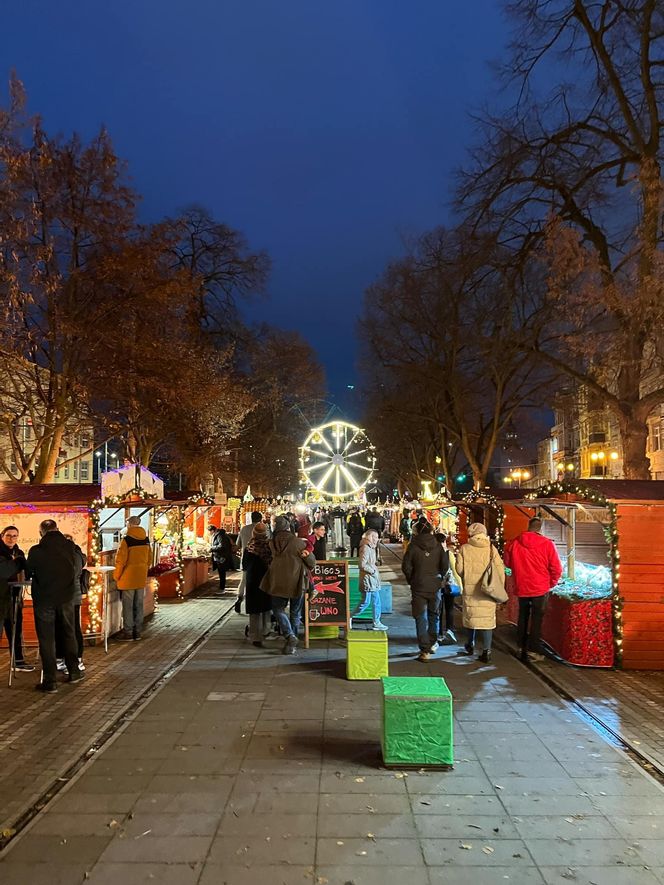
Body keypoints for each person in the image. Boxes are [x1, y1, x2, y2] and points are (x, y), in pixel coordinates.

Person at [26, 519, 85, 693]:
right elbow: (78, 567)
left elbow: (29, 572)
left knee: (46, 639)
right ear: (57, 530)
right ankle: (74, 671)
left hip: (44, 599)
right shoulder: (69, 547)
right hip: (66, 597)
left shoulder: (36, 551)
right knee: (69, 633)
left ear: (41, 533)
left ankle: (50, 681)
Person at [504, 516, 562, 662]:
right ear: (540, 529)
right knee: (537, 620)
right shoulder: (548, 544)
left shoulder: (514, 543)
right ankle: (533, 650)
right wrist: (551, 583)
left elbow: (508, 563)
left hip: (522, 586)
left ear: (528, 527)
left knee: (522, 617)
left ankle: (520, 647)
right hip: (540, 588)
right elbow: (556, 568)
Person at [260, 516, 315, 654]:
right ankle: (292, 643)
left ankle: (289, 636)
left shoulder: (271, 543)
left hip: (277, 582)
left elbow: (265, 560)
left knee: (278, 609)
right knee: (295, 613)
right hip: (297, 582)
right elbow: (311, 562)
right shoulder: (298, 543)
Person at [456, 522, 505, 664]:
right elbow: (500, 571)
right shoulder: (491, 549)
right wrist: (498, 586)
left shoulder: (464, 549)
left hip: (471, 590)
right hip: (488, 590)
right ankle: (486, 651)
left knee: (471, 617)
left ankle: (469, 645)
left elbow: (459, 569)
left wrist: (468, 577)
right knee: (487, 620)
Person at [403, 519, 449, 662]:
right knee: (434, 615)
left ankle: (424, 649)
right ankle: (432, 643)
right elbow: (445, 565)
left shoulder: (413, 546)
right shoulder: (437, 545)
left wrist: (412, 579)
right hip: (435, 585)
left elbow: (406, 567)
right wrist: (439, 578)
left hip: (419, 586)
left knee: (420, 616)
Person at [0, 525, 35, 672]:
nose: (11, 539)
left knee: (15, 629)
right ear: (2, 536)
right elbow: (4, 571)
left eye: (15, 536)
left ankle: (18, 661)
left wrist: (22, 564)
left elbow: (26, 571)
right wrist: (17, 562)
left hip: (14, 597)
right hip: (0, 599)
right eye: (8, 535)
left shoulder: (18, 552)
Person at [113, 516, 151, 641]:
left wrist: (116, 576)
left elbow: (120, 561)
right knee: (138, 604)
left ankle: (128, 632)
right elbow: (149, 558)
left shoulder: (126, 540)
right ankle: (138, 631)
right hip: (140, 577)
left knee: (128, 606)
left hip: (128, 577)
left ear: (129, 524)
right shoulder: (146, 540)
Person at [56, 534, 88, 672]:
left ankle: (75, 659)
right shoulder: (78, 555)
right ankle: (69, 658)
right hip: (73, 596)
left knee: (72, 628)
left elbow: (68, 575)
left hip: (70, 597)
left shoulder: (73, 555)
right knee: (71, 628)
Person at [242, 522, 273, 647]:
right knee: (266, 606)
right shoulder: (270, 547)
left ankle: (255, 636)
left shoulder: (249, 547)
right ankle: (266, 630)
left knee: (254, 611)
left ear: (253, 533)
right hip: (267, 579)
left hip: (253, 581)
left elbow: (244, 566)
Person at [351, 529, 388, 631]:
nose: (376, 539)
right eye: (375, 537)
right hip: (368, 579)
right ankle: (375, 622)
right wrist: (372, 571)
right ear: (370, 537)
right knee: (370, 601)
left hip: (371, 579)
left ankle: (376, 621)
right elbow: (362, 564)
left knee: (371, 601)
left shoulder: (371, 547)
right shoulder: (366, 548)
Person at [435, 533, 461, 643]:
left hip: (437, 585)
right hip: (449, 585)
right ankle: (449, 630)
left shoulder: (433, 553)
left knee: (438, 610)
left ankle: (439, 632)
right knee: (449, 608)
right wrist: (460, 585)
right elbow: (455, 571)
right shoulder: (448, 553)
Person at [236, 512, 263, 604]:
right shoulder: (263, 529)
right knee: (259, 579)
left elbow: (238, 544)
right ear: (260, 519)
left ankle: (240, 595)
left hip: (246, 558)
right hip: (260, 559)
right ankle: (256, 598)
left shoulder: (244, 529)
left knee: (244, 579)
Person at [209, 524, 233, 593]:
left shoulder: (219, 535)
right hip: (220, 557)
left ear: (212, 530)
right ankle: (221, 587)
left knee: (222, 572)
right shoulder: (220, 534)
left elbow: (221, 546)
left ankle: (222, 588)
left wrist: (212, 548)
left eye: (210, 532)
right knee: (221, 572)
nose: (209, 534)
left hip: (221, 557)